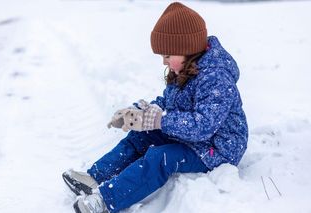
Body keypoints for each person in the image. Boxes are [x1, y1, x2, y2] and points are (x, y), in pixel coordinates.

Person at [62, 2, 248, 213]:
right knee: (140, 137)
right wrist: (138, 113)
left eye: (167, 56)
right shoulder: (184, 69)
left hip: (216, 147)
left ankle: (105, 201)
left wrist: (159, 120)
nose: (164, 62)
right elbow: (168, 103)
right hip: (191, 136)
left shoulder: (216, 78)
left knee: (160, 158)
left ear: (186, 49)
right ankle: (95, 177)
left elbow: (203, 126)